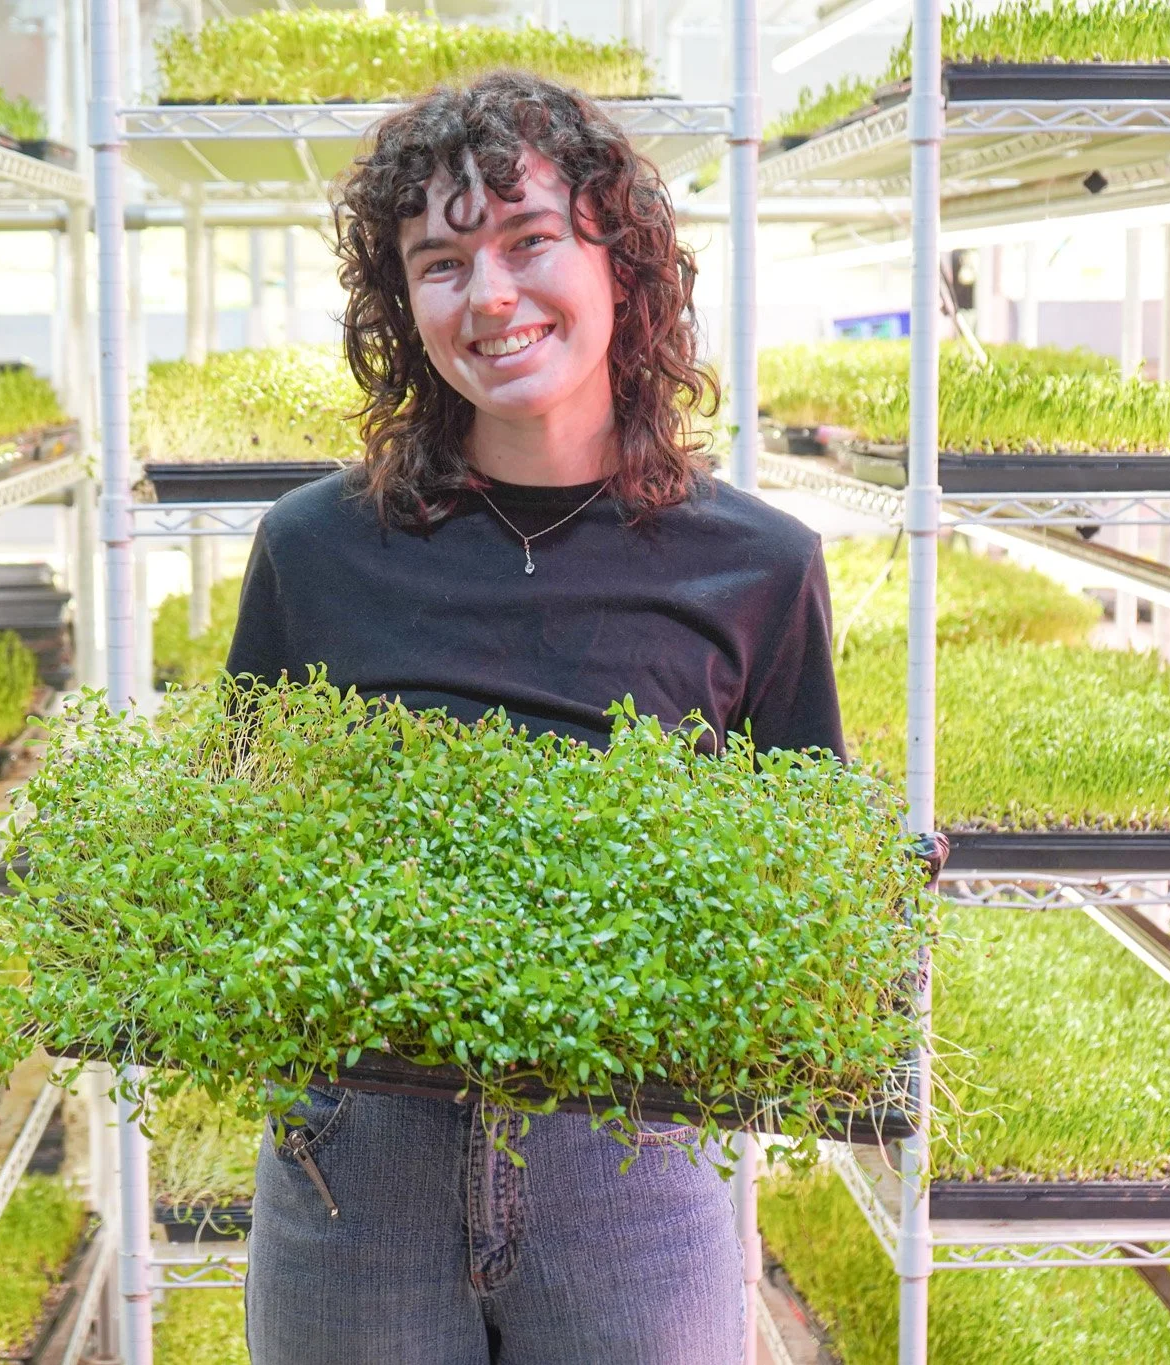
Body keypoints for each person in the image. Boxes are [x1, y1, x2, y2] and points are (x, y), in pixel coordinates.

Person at [224, 70, 845, 1365]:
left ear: (621, 260)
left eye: (528, 241)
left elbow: (807, 859)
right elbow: (236, 837)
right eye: (440, 261)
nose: (490, 295)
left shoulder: (758, 566)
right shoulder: (315, 549)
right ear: (405, 307)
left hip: (626, 1164)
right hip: (358, 1158)